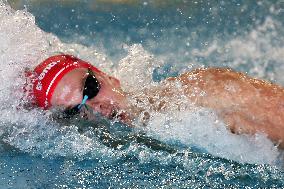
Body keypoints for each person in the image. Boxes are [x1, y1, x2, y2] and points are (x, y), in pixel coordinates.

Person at [25, 54, 284, 148]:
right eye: (74, 111)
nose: (96, 108)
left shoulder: (204, 93)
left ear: (108, 76)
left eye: (90, 88)